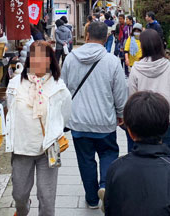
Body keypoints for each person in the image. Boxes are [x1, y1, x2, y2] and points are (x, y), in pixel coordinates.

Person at [61, 21, 128, 209]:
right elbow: (120, 93)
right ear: (106, 38)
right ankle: (105, 186)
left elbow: (63, 90)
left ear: (87, 35)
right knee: (108, 153)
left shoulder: (71, 59)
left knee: (86, 160)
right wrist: (121, 114)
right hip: (105, 121)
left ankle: (91, 198)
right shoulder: (112, 61)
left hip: (79, 123)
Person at [4, 41, 72, 216]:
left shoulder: (59, 88)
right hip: (22, 147)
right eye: (35, 57)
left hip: (48, 148)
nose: (39, 62)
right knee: (19, 194)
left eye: (44, 57)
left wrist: (54, 132)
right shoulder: (15, 85)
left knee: (47, 198)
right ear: (29, 60)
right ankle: (23, 207)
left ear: (50, 60)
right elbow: (11, 111)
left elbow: (65, 116)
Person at [127, 29, 170, 153]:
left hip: (142, 120)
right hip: (167, 119)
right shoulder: (169, 67)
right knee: (165, 157)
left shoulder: (136, 68)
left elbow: (131, 97)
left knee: (142, 157)